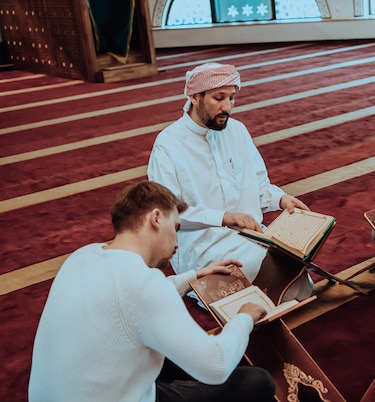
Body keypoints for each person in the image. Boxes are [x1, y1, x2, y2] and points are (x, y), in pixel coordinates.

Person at [28, 181, 276, 402]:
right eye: (176, 228)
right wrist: (245, 317)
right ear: (156, 218)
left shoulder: (83, 255)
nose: (177, 242)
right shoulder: (144, 283)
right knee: (256, 382)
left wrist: (194, 276)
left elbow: (128, 301)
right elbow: (216, 366)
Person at [147, 62, 313, 301]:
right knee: (268, 281)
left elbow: (259, 185)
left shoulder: (237, 131)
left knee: (300, 281)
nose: (227, 107)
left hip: (251, 237)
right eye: (219, 98)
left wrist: (282, 199)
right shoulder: (168, 145)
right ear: (194, 96)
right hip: (203, 248)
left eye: (232, 98)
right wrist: (224, 217)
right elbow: (168, 213)